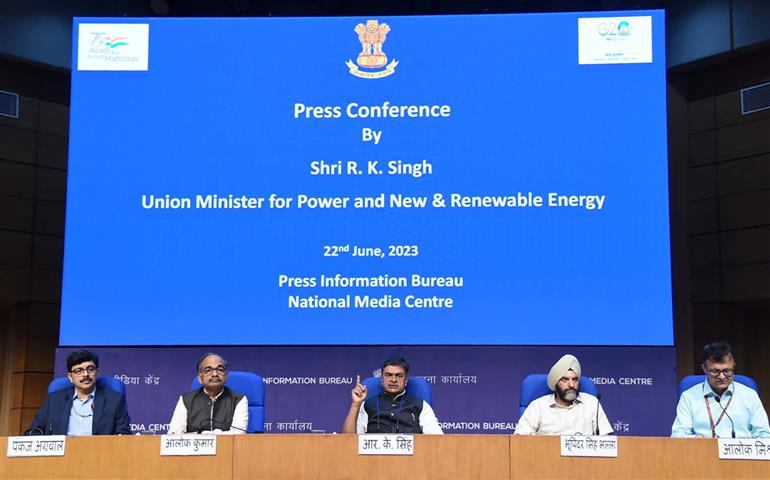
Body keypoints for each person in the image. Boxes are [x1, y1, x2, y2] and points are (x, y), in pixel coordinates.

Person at [672, 342, 770, 438]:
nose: (722, 376)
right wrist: (696, 440)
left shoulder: (749, 395)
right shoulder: (689, 397)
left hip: (742, 452)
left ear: (733, 366)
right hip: (704, 451)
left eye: (727, 371)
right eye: (715, 371)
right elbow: (678, 435)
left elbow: (764, 434)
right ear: (704, 369)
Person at [25, 349, 131, 435]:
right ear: (70, 377)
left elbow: (123, 435)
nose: (85, 374)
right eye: (78, 371)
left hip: (99, 457)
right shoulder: (54, 400)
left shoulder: (114, 400)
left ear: (97, 373)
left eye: (90, 369)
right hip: (61, 458)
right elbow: (33, 431)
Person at [515, 354, 612, 435]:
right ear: (555, 382)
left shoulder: (592, 403)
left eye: (575, 379)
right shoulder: (538, 406)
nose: (571, 385)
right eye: (565, 379)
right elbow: (520, 439)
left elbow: (607, 440)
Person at [342, 356, 443, 434]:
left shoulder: (420, 405)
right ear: (382, 380)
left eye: (399, 376)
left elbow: (437, 439)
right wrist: (356, 404)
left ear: (406, 381)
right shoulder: (368, 405)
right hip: (373, 459)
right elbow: (348, 440)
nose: (393, 380)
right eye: (388, 375)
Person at [167, 353, 248, 435]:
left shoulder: (239, 400)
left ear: (226, 377)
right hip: (194, 448)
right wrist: (206, 435)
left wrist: (203, 434)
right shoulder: (186, 400)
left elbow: (238, 435)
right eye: (208, 370)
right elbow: (173, 435)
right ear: (200, 378)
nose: (215, 374)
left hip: (227, 447)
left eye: (220, 369)